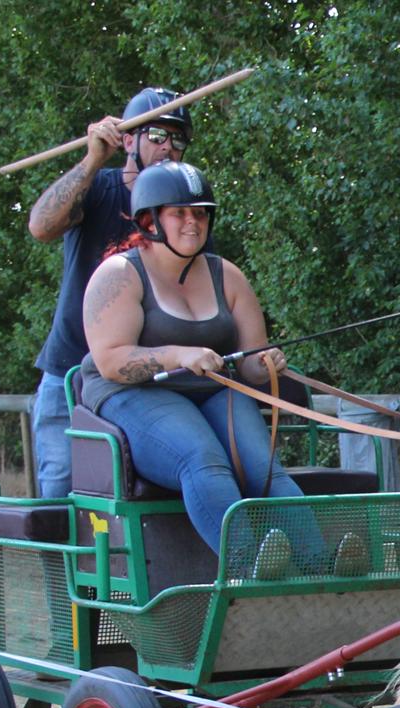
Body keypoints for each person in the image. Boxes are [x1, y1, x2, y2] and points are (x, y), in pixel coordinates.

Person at [80, 161, 331, 573]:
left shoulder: (227, 276)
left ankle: (321, 568)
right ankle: (250, 569)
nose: (192, 223)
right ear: (150, 219)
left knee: (262, 470)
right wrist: (179, 354)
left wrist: (266, 364)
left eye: (200, 213)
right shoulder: (120, 275)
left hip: (211, 388)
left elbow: (250, 368)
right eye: (179, 213)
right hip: (135, 393)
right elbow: (110, 361)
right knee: (204, 460)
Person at [29, 87, 194, 498]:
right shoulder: (99, 187)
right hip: (69, 372)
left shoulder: (184, 209)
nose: (168, 148)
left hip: (141, 377)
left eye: (178, 139)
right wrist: (91, 159)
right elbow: (41, 226)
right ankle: (58, 569)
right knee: (60, 493)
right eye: (157, 135)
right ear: (127, 140)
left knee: (132, 504)